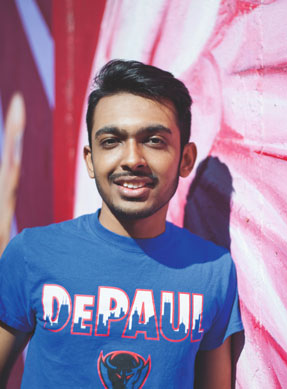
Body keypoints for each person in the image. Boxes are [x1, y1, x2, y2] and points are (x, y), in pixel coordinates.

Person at [0, 59, 243, 388]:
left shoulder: (213, 271)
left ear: (185, 160)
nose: (132, 159)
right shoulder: (31, 254)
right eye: (111, 141)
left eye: (154, 140)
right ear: (91, 159)